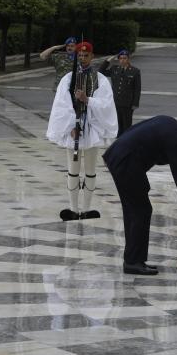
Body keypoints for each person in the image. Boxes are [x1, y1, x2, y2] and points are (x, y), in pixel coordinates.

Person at [103, 116, 177, 275]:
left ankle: (133, 260)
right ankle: (133, 262)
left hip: (120, 157)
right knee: (140, 211)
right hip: (125, 162)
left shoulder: (171, 124)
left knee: (135, 210)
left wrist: (116, 151)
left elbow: (136, 131)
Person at [46, 41, 118, 221]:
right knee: (73, 169)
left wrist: (88, 100)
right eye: (80, 55)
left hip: (92, 130)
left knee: (91, 170)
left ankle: (86, 209)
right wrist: (71, 126)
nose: (83, 58)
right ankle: (73, 209)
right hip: (74, 131)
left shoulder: (100, 79)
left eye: (86, 55)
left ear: (92, 56)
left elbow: (106, 105)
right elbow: (62, 105)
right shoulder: (68, 79)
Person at [99, 49, 141, 137]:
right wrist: (107, 61)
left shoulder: (135, 71)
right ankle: (117, 139)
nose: (122, 60)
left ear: (128, 59)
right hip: (115, 102)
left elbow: (137, 89)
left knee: (126, 124)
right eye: (121, 58)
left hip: (127, 103)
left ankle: (126, 139)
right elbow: (101, 71)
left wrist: (135, 103)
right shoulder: (114, 69)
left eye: (125, 58)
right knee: (116, 123)